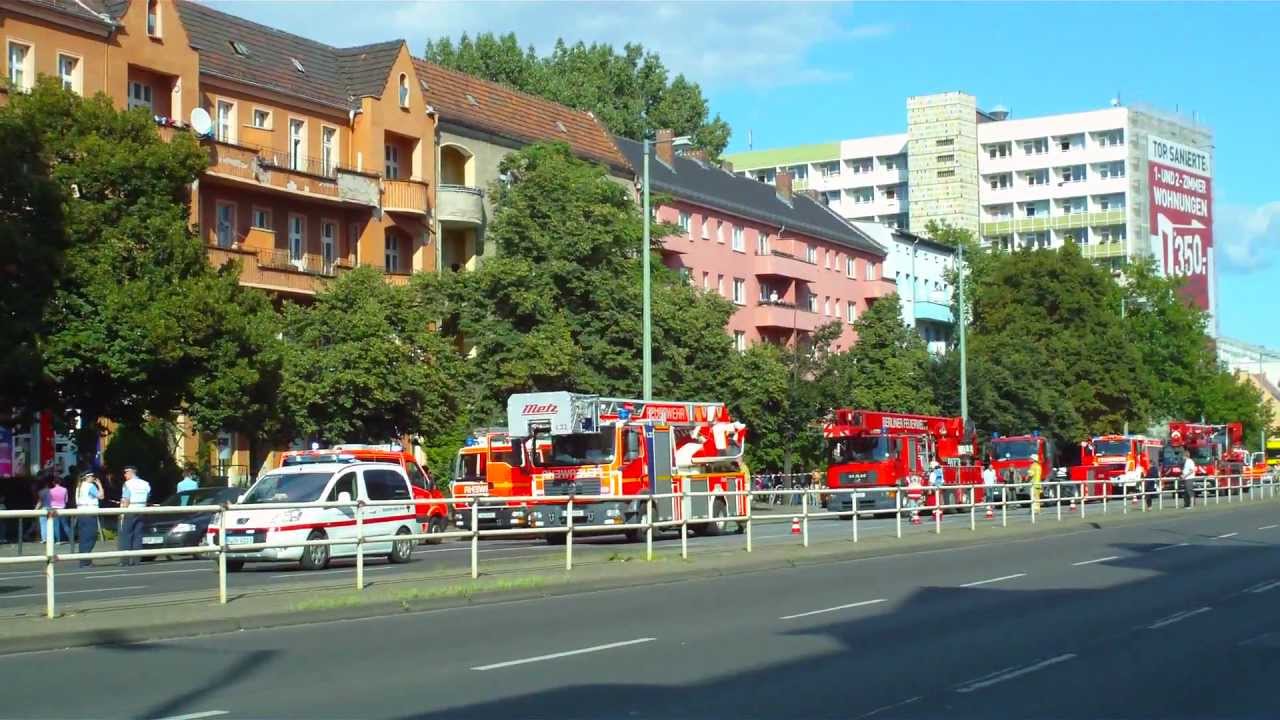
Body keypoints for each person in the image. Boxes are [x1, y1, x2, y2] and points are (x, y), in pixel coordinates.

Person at [118, 466, 151, 566]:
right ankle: (136, 560)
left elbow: (126, 499)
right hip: (141, 510)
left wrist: (122, 513)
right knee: (138, 535)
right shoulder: (145, 483)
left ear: (131, 472)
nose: (124, 475)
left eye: (126, 473)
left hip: (130, 510)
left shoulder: (128, 484)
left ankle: (125, 560)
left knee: (126, 535)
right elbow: (148, 496)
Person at [75, 472, 102, 566]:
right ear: (87, 477)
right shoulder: (90, 486)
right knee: (91, 537)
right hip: (90, 514)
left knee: (83, 538)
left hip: (81, 513)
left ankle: (83, 560)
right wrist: (99, 485)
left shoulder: (79, 487)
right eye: (92, 476)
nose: (93, 478)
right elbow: (101, 496)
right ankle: (86, 561)